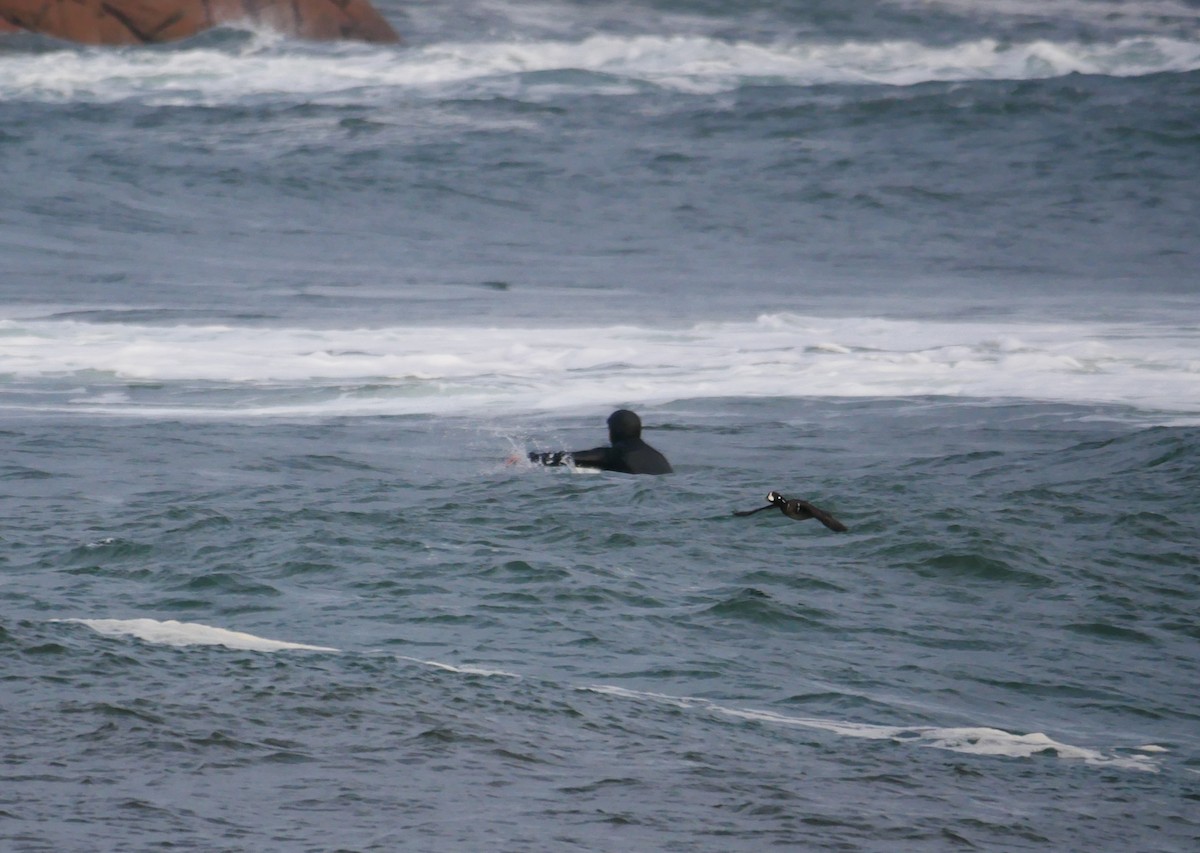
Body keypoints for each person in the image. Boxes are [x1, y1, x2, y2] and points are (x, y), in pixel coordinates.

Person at [523, 409, 673, 475]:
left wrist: (527, 459)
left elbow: (567, 458)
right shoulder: (659, 457)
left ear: (614, 431)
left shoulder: (615, 454)